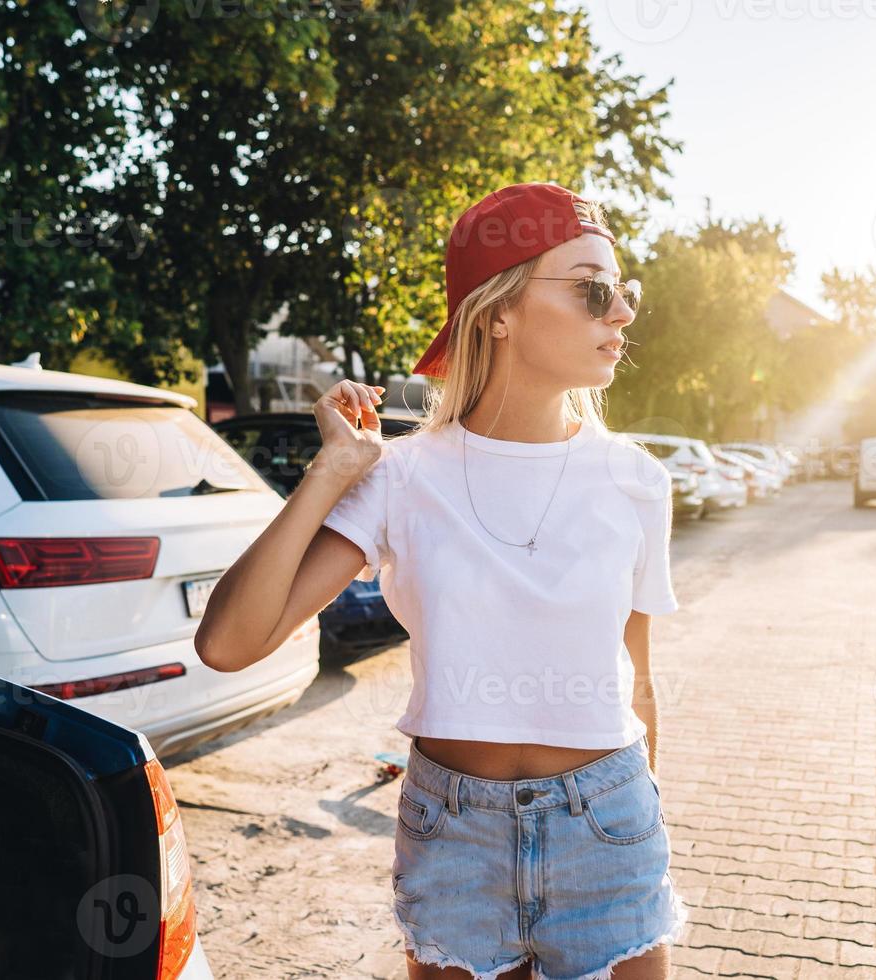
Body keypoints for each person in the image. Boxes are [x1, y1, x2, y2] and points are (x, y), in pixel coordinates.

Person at [194, 182, 686, 980]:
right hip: (453, 832)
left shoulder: (635, 481)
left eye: (623, 293)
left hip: (609, 823)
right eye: (594, 291)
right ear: (498, 312)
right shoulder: (400, 476)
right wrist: (329, 474)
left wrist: (644, 821)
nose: (622, 315)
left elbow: (638, 680)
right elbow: (227, 643)